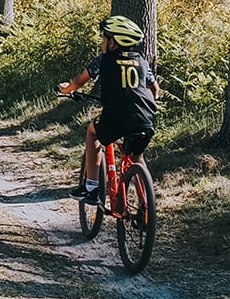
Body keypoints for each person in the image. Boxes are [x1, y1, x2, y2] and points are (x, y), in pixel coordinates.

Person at [57, 14, 157, 204]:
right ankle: (147, 205)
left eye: (105, 37)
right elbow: (155, 89)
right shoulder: (142, 62)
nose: (103, 41)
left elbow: (79, 81)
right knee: (136, 157)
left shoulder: (103, 60)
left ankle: (92, 188)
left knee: (93, 133)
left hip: (117, 117)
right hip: (145, 118)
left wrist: (65, 89)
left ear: (113, 43)